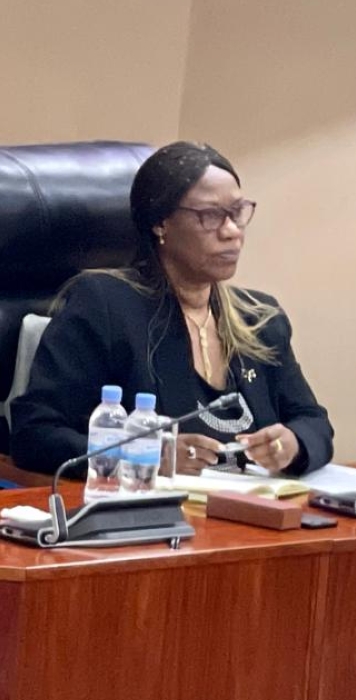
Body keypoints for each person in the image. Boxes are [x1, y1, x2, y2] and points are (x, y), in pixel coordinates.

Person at [11, 142, 333, 477]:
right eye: (210, 216)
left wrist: (293, 444)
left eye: (237, 212)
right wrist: (143, 457)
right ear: (160, 223)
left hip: (255, 505)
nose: (232, 231)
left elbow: (313, 422)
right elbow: (35, 433)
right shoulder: (105, 305)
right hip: (150, 505)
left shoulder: (260, 318)